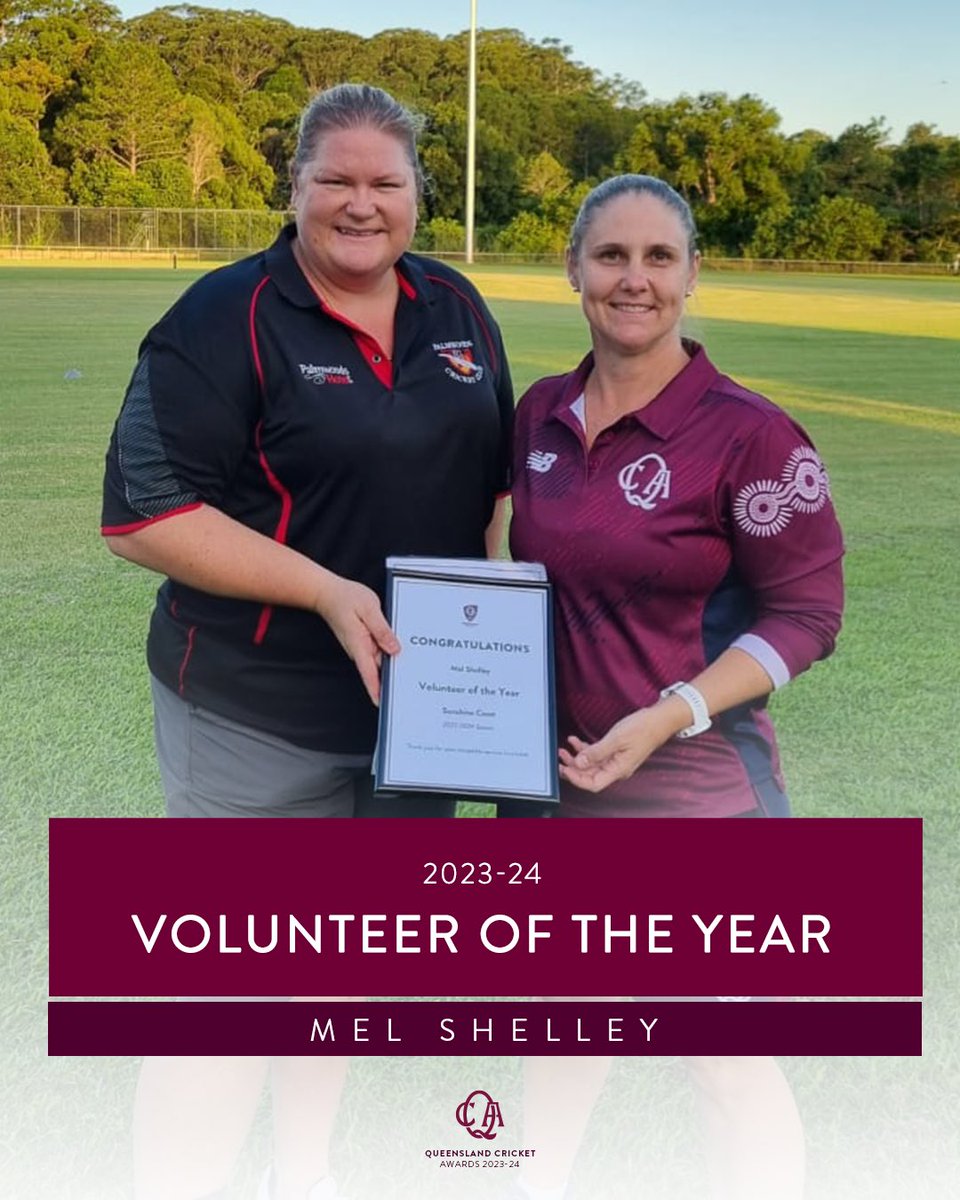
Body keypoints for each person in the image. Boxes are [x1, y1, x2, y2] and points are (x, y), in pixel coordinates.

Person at [101, 83, 513, 1200]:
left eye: (387, 182)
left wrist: (500, 666)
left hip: (415, 731)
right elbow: (144, 514)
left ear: (420, 193)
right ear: (293, 189)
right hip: (254, 713)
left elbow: (493, 499)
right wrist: (329, 593)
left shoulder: (458, 308)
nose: (361, 203)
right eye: (336, 179)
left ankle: (305, 1169)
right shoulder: (220, 315)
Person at [504, 175, 844, 1199]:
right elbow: (509, 570)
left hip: (701, 800)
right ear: (573, 270)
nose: (634, 279)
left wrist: (672, 714)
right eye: (611, 256)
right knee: (562, 1038)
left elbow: (807, 618)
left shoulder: (752, 433)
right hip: (560, 796)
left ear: (695, 275)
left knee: (724, 1059)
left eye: (660, 258)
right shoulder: (537, 414)